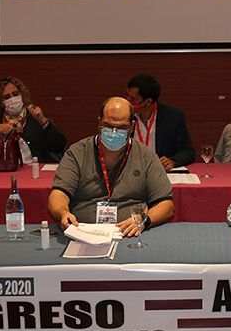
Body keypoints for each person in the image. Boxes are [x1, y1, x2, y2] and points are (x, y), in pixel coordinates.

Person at [48, 97, 174, 236]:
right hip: (82, 232)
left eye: (121, 127)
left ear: (131, 126)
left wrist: (144, 220)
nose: (114, 132)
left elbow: (166, 205)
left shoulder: (146, 156)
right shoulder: (77, 152)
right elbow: (58, 194)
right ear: (99, 122)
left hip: (130, 234)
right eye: (108, 126)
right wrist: (63, 213)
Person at [0, 76, 67, 163]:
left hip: (34, 171)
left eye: (15, 94)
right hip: (4, 171)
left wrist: (43, 122)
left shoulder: (34, 118)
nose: (12, 99)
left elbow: (59, 146)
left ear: (22, 95)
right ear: (0, 102)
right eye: (7, 97)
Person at [126, 73, 194, 171]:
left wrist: (172, 161)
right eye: (127, 96)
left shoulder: (173, 118)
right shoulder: (124, 116)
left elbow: (188, 152)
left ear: (148, 102)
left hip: (159, 172)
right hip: (132, 170)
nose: (128, 101)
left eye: (133, 99)